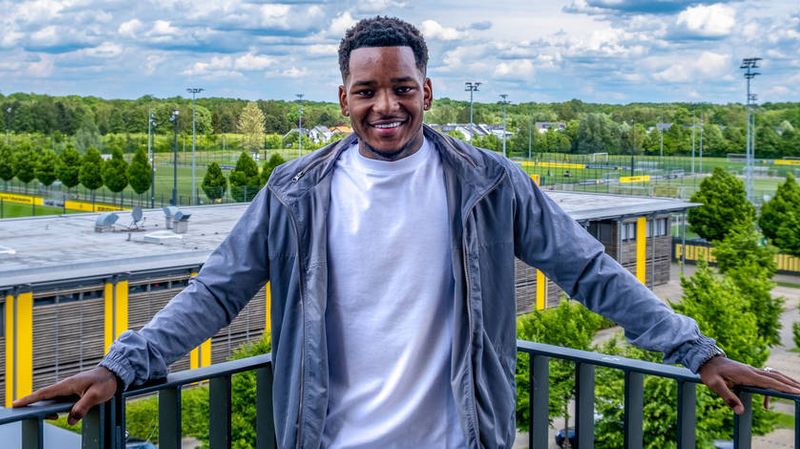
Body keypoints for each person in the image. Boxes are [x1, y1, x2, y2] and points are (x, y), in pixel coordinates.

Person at [15, 16, 800, 449]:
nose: (384, 106)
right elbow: (216, 291)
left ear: (427, 89)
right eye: (367, 91)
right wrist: (121, 364)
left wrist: (696, 350)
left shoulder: (490, 182)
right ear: (343, 98)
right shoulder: (294, 191)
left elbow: (590, 271)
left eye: (401, 88)